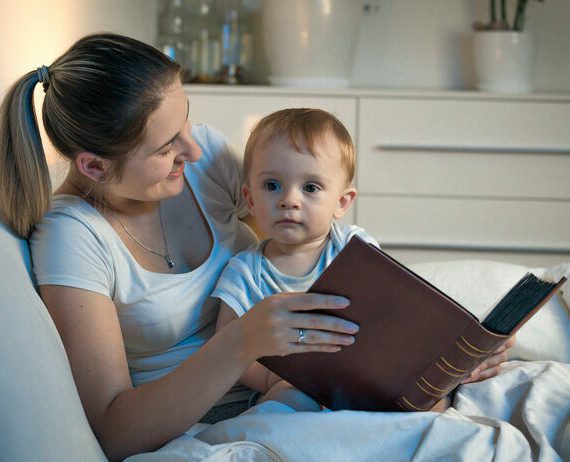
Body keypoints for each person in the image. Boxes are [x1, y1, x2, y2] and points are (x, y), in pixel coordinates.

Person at [0, 33, 511, 461]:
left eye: (186, 121)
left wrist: (435, 345)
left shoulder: (202, 160)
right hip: (225, 424)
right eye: (166, 146)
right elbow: (115, 432)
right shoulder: (72, 238)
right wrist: (243, 341)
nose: (194, 149)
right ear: (93, 166)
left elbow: (300, 240)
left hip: (313, 382)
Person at [212, 108, 515, 410]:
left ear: (342, 202)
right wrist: (270, 381)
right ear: (250, 198)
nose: (289, 199)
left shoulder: (353, 248)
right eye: (272, 185)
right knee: (284, 406)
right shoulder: (244, 272)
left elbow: (392, 310)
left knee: (431, 403)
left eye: (310, 188)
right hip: (293, 388)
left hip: (365, 378)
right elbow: (227, 347)